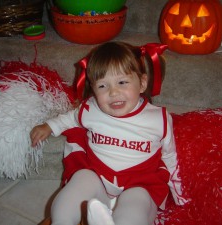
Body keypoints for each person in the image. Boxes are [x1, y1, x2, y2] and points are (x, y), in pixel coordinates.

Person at [30, 41, 186, 225]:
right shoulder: (91, 108)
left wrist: (179, 193)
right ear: (93, 88)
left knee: (133, 211)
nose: (113, 92)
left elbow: (170, 157)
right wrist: (49, 126)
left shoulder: (158, 119)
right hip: (99, 179)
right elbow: (70, 118)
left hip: (140, 184)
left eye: (122, 82)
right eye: (103, 86)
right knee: (74, 190)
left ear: (142, 83)